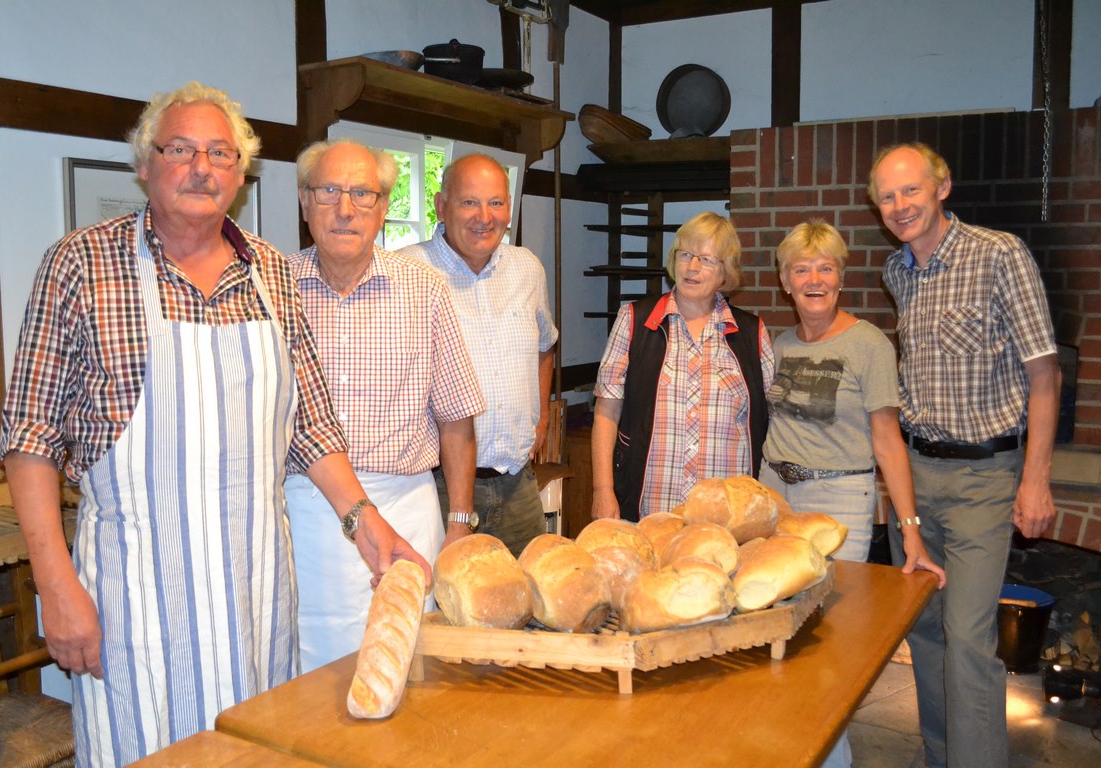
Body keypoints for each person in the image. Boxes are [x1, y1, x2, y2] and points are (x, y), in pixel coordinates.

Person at [0, 82, 429, 766]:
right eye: (182, 150)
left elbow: (310, 423)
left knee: (254, 747)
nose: (203, 167)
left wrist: (366, 524)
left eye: (221, 153)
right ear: (144, 165)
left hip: (255, 592)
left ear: (241, 173)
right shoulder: (81, 264)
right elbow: (30, 438)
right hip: (135, 595)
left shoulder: (272, 276)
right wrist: (56, 587)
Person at [871, 143, 1061, 768]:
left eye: (911, 190)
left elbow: (1045, 374)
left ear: (942, 186)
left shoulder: (999, 254)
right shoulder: (896, 272)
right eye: (887, 196)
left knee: (968, 640)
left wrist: (1035, 482)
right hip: (917, 478)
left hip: (985, 478)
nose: (900, 205)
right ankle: (940, 755)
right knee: (923, 629)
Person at [287, 138, 485, 670]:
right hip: (306, 513)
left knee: (409, 667)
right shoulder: (273, 289)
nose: (344, 209)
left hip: (405, 509)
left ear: (383, 208)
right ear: (305, 203)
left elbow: (456, 418)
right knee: (310, 676)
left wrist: (460, 522)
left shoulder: (425, 289)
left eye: (362, 194)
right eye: (328, 191)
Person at [760, 219, 946, 768]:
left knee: (827, 636)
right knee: (775, 627)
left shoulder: (868, 344)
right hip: (776, 495)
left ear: (840, 276)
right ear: (785, 281)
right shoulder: (778, 344)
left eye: (825, 267)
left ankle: (832, 755)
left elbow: (889, 443)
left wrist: (909, 532)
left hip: (841, 500)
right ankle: (782, 741)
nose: (814, 278)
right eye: (801, 269)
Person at [398, 153, 558, 556]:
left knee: (532, 600)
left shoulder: (527, 269)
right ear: (441, 205)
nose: (483, 217)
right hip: (436, 489)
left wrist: (539, 423)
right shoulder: (406, 271)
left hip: (517, 484)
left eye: (496, 202)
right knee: (444, 609)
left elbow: (545, 346)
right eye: (469, 202)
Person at [591, 211, 774, 521]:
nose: (692, 267)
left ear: (724, 272)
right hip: (649, 509)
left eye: (705, 259)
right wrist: (602, 490)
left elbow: (772, 422)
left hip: (729, 516)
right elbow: (606, 413)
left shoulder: (751, 334)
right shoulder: (635, 321)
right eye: (685, 254)